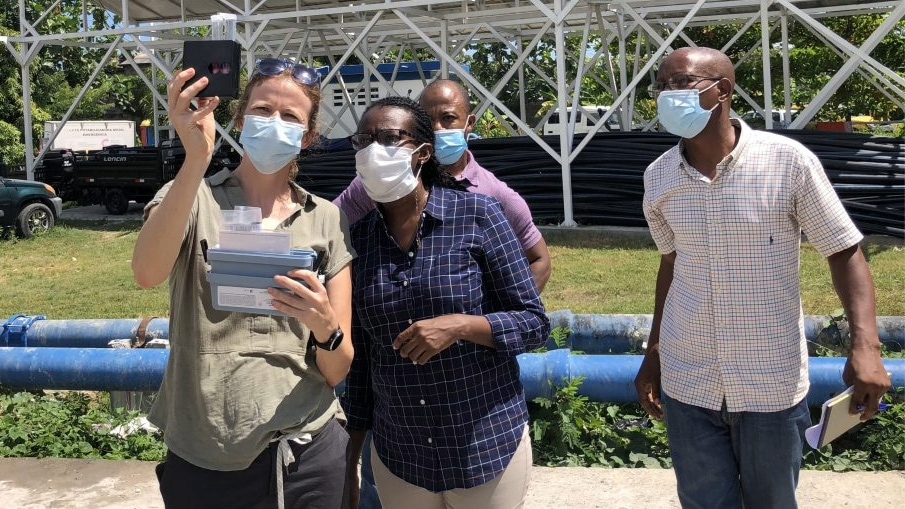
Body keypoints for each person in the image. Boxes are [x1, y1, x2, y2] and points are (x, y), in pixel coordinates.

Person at [634, 46, 891, 509]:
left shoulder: (787, 162)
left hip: (769, 384)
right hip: (689, 381)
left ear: (722, 91)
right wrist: (654, 353)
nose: (668, 95)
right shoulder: (659, 178)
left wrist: (866, 346)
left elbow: (844, 251)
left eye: (682, 84)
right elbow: (672, 264)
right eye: (662, 86)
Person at [131, 58, 355, 509]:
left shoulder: (326, 219)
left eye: (290, 116)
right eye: (263, 110)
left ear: (308, 136)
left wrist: (323, 324)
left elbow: (337, 367)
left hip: (306, 452)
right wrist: (196, 159)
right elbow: (147, 273)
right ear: (240, 118)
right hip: (205, 453)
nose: (275, 123)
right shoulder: (193, 197)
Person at [335, 79, 553, 509]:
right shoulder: (358, 240)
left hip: (484, 444)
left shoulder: (480, 214)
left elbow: (533, 322)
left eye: (390, 139)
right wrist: (351, 457)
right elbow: (363, 364)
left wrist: (462, 326)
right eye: (365, 140)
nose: (374, 150)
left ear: (423, 151)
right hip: (402, 454)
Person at [334, 78, 552, 292]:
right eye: (428, 120)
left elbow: (539, 258)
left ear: (470, 123)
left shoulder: (493, 197)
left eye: (448, 118)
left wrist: (498, 315)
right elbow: (328, 227)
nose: (437, 128)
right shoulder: (378, 183)